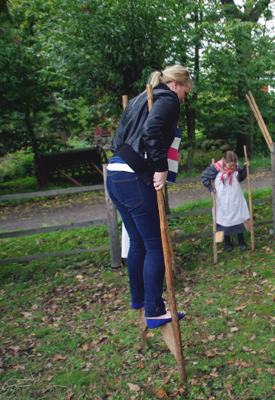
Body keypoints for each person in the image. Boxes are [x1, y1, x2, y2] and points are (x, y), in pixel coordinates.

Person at [106, 65, 192, 329]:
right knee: (155, 245)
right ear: (177, 84)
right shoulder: (167, 99)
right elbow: (152, 132)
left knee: (138, 242)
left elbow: (118, 140)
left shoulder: (137, 100)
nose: (183, 99)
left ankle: (140, 299)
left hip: (114, 174)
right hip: (133, 178)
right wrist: (160, 167)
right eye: (185, 93)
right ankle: (154, 310)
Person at [200, 151, 250, 252]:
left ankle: (241, 240)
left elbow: (241, 178)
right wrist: (211, 189)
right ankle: (227, 242)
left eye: (234, 165)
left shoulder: (236, 166)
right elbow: (204, 177)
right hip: (223, 200)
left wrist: (245, 168)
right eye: (230, 165)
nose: (232, 168)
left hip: (236, 198)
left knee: (239, 217)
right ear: (224, 161)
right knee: (225, 219)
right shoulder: (215, 168)